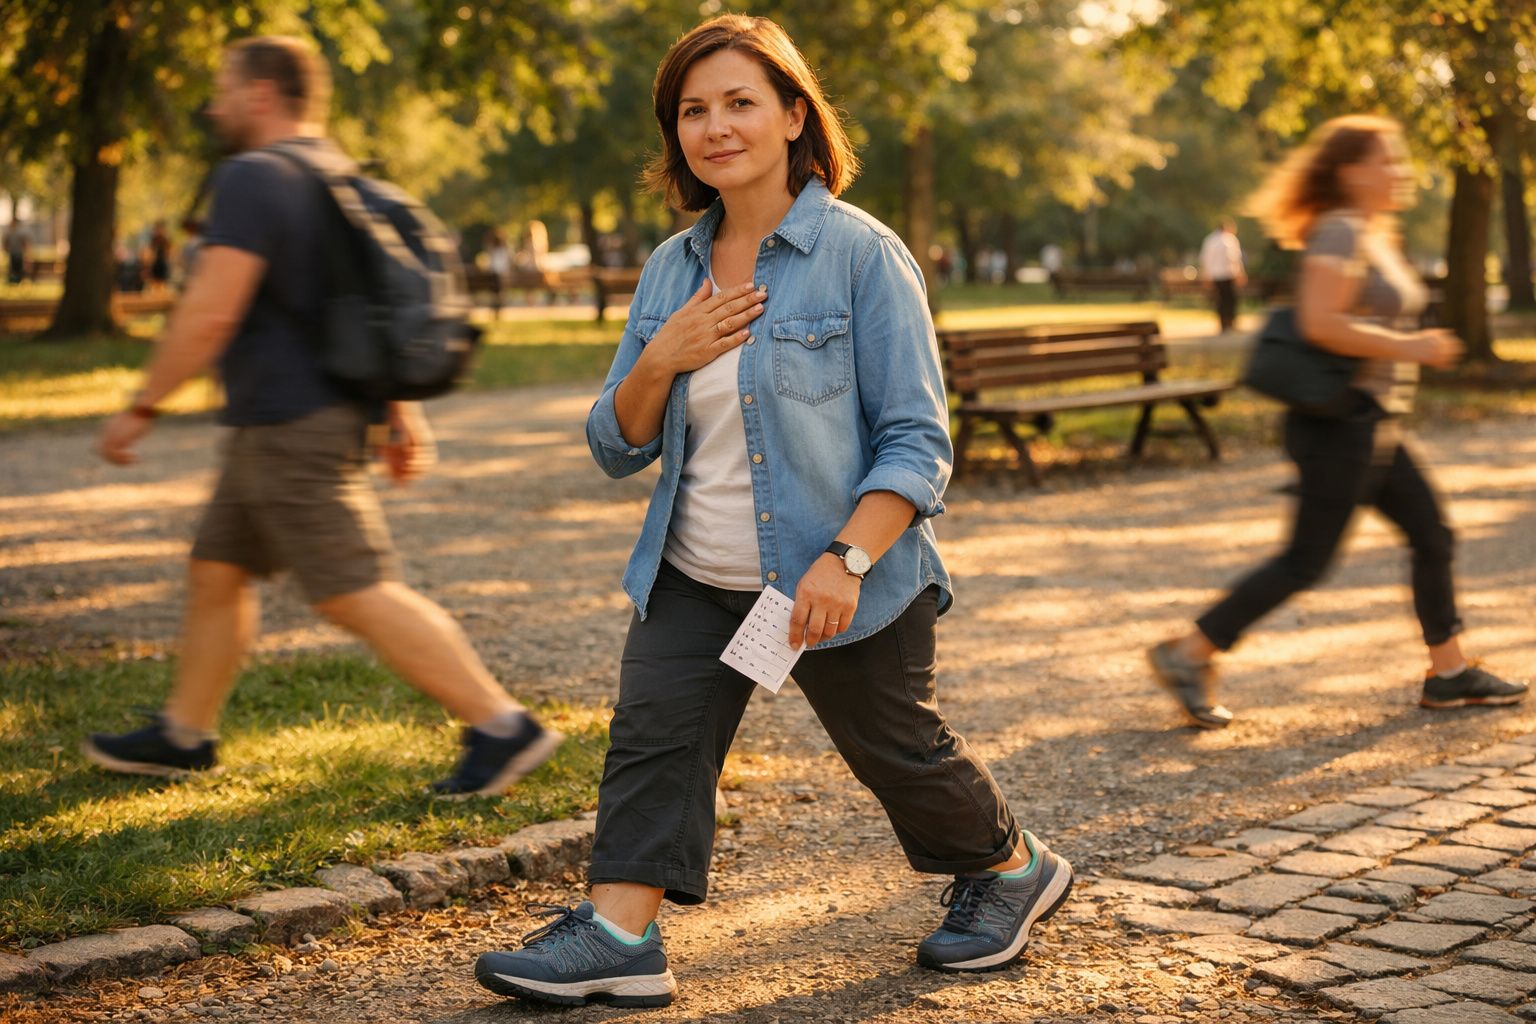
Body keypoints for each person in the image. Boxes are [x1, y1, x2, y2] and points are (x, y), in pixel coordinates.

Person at [473, 15, 1072, 1009]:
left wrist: (843, 558)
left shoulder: (860, 256)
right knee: (655, 737)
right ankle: (619, 934)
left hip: (833, 576)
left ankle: (1011, 869)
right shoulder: (673, 268)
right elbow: (616, 442)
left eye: (740, 102)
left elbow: (919, 442)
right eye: (693, 111)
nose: (715, 127)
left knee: (895, 749)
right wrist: (664, 356)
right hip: (696, 574)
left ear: (795, 115)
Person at [85, 35, 561, 796]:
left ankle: (502, 725)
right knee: (217, 569)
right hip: (285, 421)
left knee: (352, 587)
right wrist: (399, 413)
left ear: (262, 95)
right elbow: (360, 305)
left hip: (289, 427)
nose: (215, 105)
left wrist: (140, 407)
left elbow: (209, 311)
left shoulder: (252, 177)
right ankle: (185, 731)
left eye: (224, 89)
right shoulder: (333, 172)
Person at [1148, 115, 1527, 729]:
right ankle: (1188, 652)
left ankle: (1450, 674)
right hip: (1338, 427)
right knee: (1306, 561)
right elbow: (1321, 322)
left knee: (1432, 534)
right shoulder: (1339, 231)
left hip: (1372, 421)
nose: (1399, 171)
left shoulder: (1371, 232)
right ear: (1351, 171)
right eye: (1386, 160)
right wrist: (1413, 348)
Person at [1199, 217, 1247, 333]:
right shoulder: (1230, 239)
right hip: (1228, 274)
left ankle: (1224, 324)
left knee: (1222, 300)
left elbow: (1205, 259)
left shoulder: (1210, 240)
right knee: (1229, 300)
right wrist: (1240, 273)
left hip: (1217, 275)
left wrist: (1206, 275)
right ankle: (1230, 323)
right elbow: (1235, 259)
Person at [483, 227, 512, 318]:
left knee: (495, 293)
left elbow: (491, 264)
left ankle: (495, 310)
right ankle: (498, 310)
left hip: (494, 275)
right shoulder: (504, 250)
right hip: (500, 276)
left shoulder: (492, 250)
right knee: (499, 292)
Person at [147, 219, 174, 294]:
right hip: (155, 262)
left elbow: (169, 251)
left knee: (163, 281)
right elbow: (151, 252)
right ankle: (156, 295)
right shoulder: (154, 239)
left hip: (163, 262)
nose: (157, 230)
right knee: (155, 282)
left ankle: (161, 295)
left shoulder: (165, 239)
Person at [4, 218, 30, 285]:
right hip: (12, 252)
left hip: (19, 252)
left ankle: (18, 280)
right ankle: (13, 281)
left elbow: (24, 242)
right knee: (12, 267)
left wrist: (25, 250)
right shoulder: (9, 232)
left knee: (18, 267)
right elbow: (6, 241)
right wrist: (6, 249)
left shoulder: (20, 232)